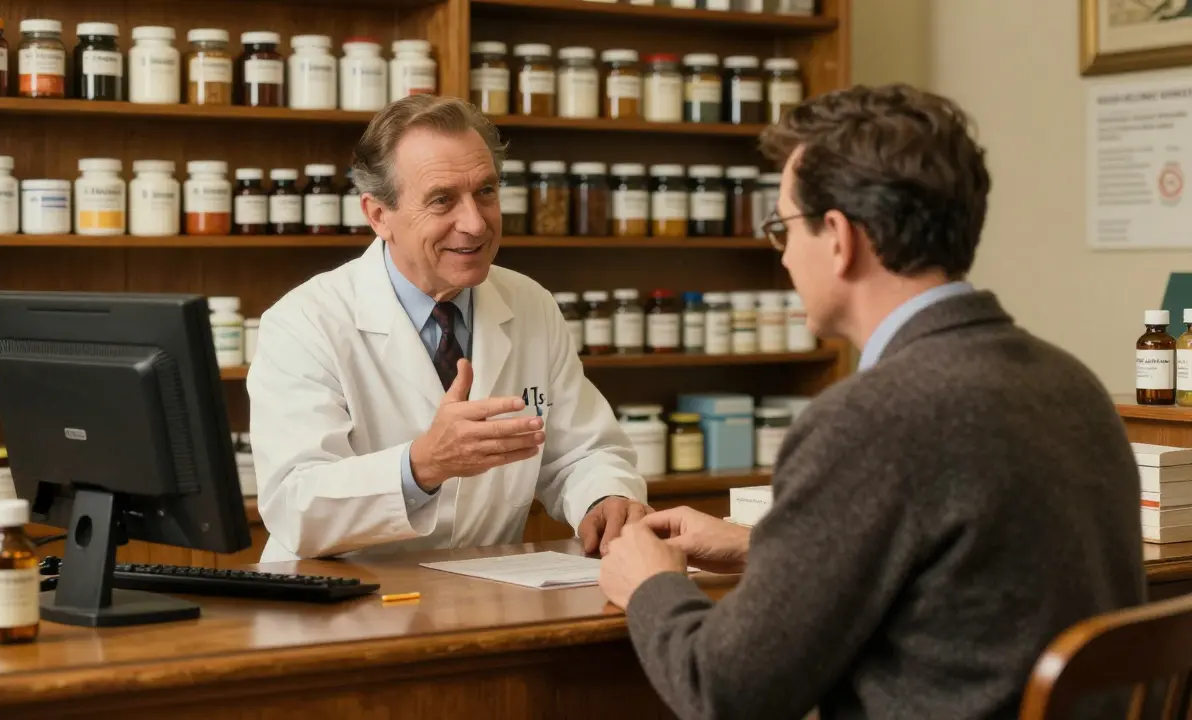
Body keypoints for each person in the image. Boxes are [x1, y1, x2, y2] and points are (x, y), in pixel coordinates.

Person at [598, 84, 1146, 718]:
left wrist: (651, 584)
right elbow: (970, 576)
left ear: (838, 237)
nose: (781, 254)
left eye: (781, 228)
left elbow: (724, 690)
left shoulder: (868, 419)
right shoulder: (1071, 384)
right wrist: (763, 548)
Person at [247, 95, 649, 562]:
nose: (475, 223)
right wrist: (422, 465)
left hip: (482, 595)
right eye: (443, 200)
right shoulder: (304, 323)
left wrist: (605, 497)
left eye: (486, 192)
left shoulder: (530, 303)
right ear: (379, 215)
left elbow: (581, 451)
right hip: (341, 607)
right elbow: (296, 506)